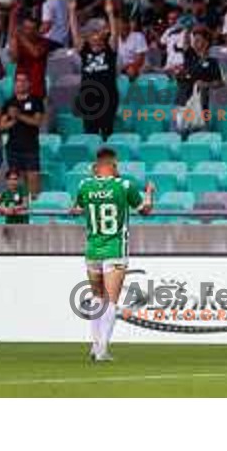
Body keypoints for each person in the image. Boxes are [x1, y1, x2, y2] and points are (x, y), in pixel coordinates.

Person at [71, 147, 154, 362]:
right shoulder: (124, 185)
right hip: (115, 248)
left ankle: (95, 344)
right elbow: (145, 210)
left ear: (97, 166)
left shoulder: (84, 185)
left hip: (93, 249)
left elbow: (76, 209)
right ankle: (102, 349)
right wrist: (150, 193)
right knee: (111, 300)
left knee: (97, 297)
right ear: (113, 165)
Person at [69, 1, 119, 141]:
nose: (95, 38)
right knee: (90, 134)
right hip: (88, 97)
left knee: (107, 133)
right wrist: (71, 12)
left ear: (103, 37)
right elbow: (74, 33)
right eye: (92, 35)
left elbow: (114, 34)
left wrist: (110, 13)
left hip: (108, 97)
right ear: (88, 38)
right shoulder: (84, 50)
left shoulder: (110, 51)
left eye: (98, 35)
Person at [0, 73, 44, 196]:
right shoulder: (8, 103)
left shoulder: (36, 101)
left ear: (29, 84)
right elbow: (1, 126)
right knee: (17, 186)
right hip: (13, 150)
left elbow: (37, 122)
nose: (20, 83)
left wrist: (19, 115)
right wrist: (13, 119)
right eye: (18, 81)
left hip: (31, 148)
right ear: (14, 84)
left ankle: (34, 212)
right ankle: (18, 212)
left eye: (24, 81)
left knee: (33, 186)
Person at [8, 6, 50, 100]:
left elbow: (36, 53)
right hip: (20, 88)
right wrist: (14, 40)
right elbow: (14, 59)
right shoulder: (19, 41)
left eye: (32, 29)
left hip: (37, 89)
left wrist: (20, 37)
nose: (28, 31)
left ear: (37, 30)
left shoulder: (44, 42)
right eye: (26, 28)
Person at [117, 15, 148, 80]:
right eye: (119, 25)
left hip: (136, 67)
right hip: (121, 67)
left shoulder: (138, 36)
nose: (122, 26)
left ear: (128, 25)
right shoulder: (116, 39)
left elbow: (140, 60)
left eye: (123, 24)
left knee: (131, 71)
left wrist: (127, 66)